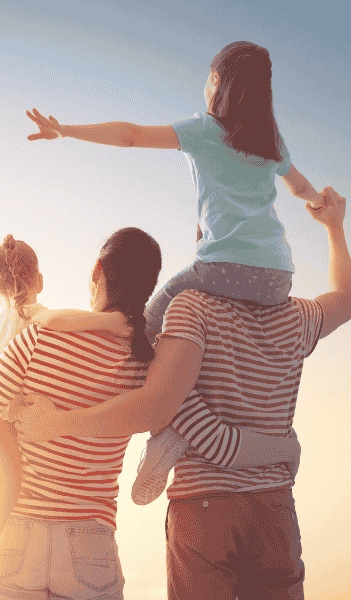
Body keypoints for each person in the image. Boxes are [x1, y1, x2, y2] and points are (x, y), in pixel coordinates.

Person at [25, 41, 331, 503]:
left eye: (209, 75)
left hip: (223, 269)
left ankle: (168, 432)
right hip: (277, 278)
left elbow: (131, 135)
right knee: (190, 345)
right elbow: (301, 185)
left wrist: (65, 130)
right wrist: (320, 204)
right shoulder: (271, 142)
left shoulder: (205, 129)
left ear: (217, 82)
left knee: (143, 329)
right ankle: (195, 427)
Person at [17, 188, 351, 599]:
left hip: (204, 505)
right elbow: (346, 300)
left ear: (207, 244)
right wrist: (334, 228)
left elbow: (156, 399)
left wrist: (58, 420)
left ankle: (170, 444)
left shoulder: (190, 307)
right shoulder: (297, 316)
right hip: (274, 505)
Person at [0, 227, 302, 600]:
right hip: (90, 544)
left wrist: (4, 477)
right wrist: (283, 448)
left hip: (16, 536)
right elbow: (201, 427)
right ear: (148, 289)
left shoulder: (38, 338)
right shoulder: (147, 364)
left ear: (97, 271)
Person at [0, 233, 136, 600]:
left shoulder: (25, 337)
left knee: (1, 485)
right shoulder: (139, 358)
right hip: (90, 539)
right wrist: (113, 324)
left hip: (17, 528)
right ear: (39, 280)